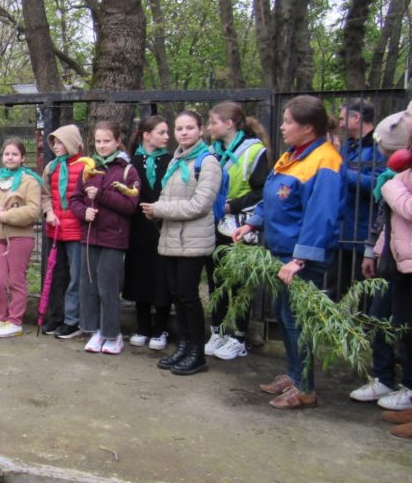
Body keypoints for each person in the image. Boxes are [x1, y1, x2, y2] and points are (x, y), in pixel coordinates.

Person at [233, 96, 343, 409]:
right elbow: (273, 197)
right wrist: (253, 223)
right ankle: (294, 375)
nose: (281, 127)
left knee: (298, 322)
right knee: (286, 317)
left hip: (301, 259)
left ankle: (305, 387)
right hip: (282, 253)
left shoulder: (325, 160)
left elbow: (321, 216)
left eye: (287, 122)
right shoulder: (293, 155)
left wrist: (300, 259)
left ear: (307, 127)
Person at [141, 110, 221, 375]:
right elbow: (166, 195)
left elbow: (200, 205)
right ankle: (184, 346)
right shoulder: (177, 160)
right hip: (172, 238)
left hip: (194, 240)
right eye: (179, 128)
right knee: (177, 294)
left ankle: (197, 352)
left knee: (188, 296)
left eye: (189, 128)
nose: (183, 133)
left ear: (201, 131)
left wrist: (161, 210)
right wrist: (155, 209)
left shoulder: (207, 162)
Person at [351, 109, 411, 415]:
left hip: (408, 263)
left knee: (405, 326)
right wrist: (371, 251)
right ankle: (384, 378)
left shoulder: (394, 182)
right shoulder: (393, 177)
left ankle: (408, 388)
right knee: (378, 318)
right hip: (390, 258)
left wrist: (393, 188)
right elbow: (384, 221)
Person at [204, 102, 270, 361]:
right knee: (216, 280)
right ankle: (217, 330)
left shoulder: (254, 151)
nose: (209, 128)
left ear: (229, 123)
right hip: (215, 224)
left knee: (240, 283)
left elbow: (261, 189)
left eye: (213, 122)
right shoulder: (212, 151)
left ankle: (239, 337)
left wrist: (233, 205)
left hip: (241, 225)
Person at [69, 122, 140, 355]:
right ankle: (95, 331)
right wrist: (83, 212)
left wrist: (101, 195)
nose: (102, 145)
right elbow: (75, 200)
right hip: (89, 236)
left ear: (117, 141)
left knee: (108, 288)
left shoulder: (127, 171)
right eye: (98, 141)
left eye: (107, 141)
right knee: (88, 286)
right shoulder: (88, 168)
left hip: (113, 238)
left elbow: (130, 206)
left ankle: (113, 334)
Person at [0, 138, 43, 338]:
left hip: (20, 237)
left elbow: (34, 210)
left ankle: (15, 321)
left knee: (16, 280)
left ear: (23, 158)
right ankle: (0, 317)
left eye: (14, 154)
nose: (10, 157)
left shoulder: (29, 180)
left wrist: (7, 216)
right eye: (7, 154)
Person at [123, 116, 172, 351]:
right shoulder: (131, 163)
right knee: (140, 276)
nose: (166, 137)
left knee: (161, 277)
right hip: (138, 229)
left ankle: (160, 328)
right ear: (146, 134)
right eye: (161, 132)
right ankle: (142, 327)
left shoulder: (171, 161)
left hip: (164, 227)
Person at [39, 124, 89, 339]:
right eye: (54, 142)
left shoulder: (86, 166)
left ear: (71, 142)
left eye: (60, 142)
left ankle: (73, 320)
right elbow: (45, 194)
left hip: (77, 232)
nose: (56, 146)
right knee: (55, 276)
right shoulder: (51, 167)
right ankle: (56, 316)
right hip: (55, 230)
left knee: (75, 277)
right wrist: (49, 212)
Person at [334, 99, 385, 298]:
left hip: (364, 232)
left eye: (342, 118)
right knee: (334, 292)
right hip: (341, 233)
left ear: (356, 118)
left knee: (365, 297)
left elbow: (379, 185)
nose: (339, 124)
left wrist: (341, 171)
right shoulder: (347, 147)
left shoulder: (378, 147)